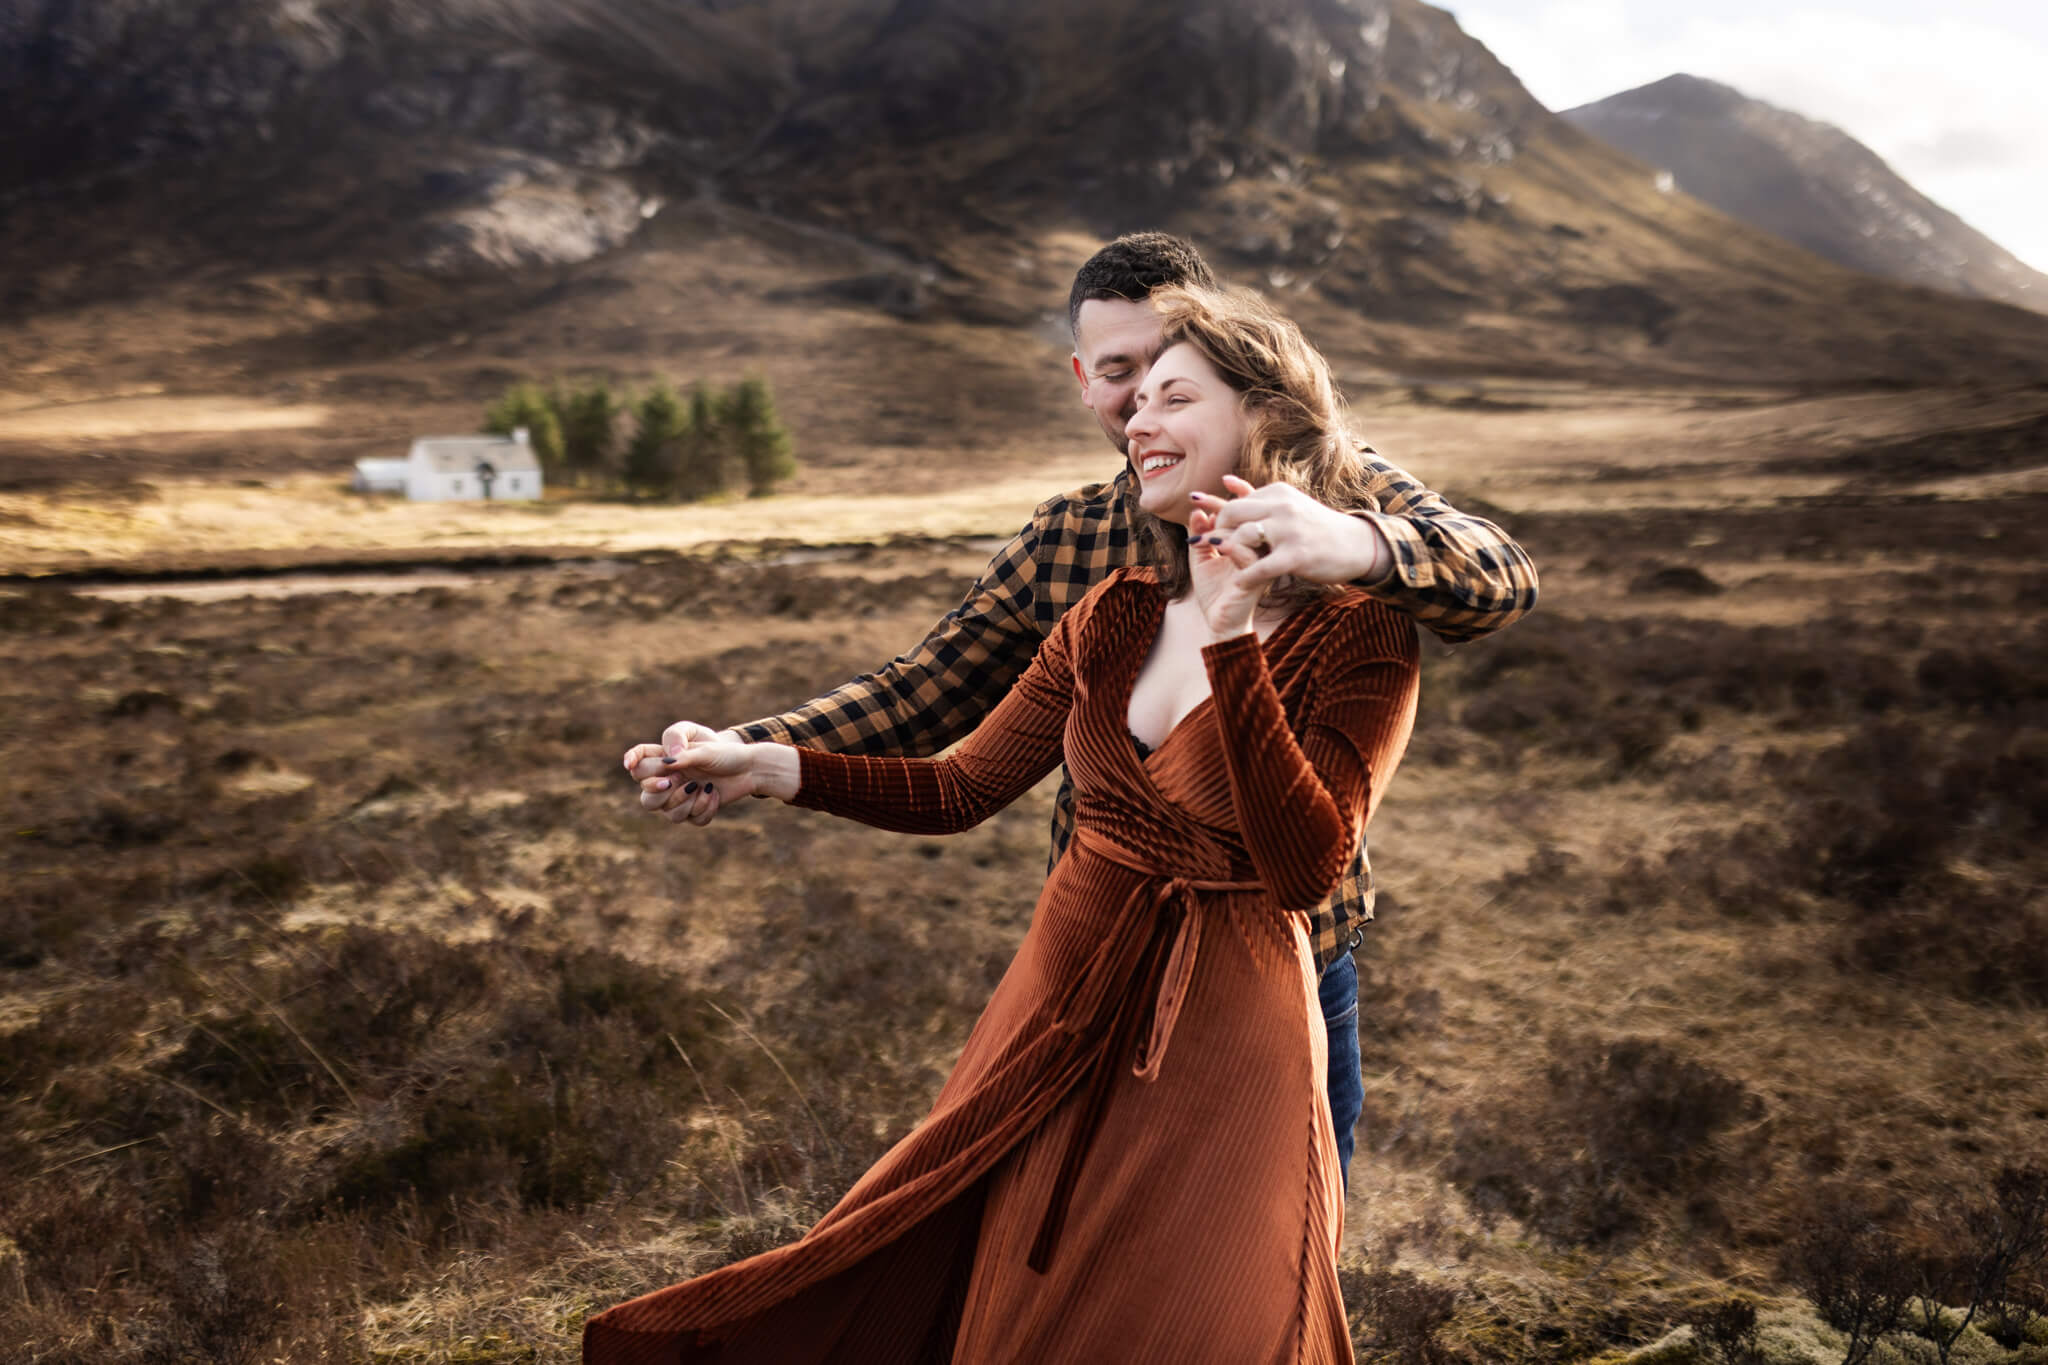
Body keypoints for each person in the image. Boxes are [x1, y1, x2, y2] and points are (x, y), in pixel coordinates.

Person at [591, 283, 1420, 1364]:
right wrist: (768, 765)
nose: (1137, 422)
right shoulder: (1111, 613)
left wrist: (1232, 644)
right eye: (1132, 402)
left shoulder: (1360, 636)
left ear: (1261, 418)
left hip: (1222, 1027)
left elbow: (1305, 864)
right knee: (1009, 1288)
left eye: (1173, 397)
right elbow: (956, 788)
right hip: (1055, 995)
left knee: (1203, 1307)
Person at [638, 232, 1536, 1188]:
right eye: (1123, 376)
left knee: (1267, 1257)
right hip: (1094, 966)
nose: (1143, 399)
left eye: (1172, 373)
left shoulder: (1339, 498)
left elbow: (1499, 575)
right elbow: (929, 701)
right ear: (1085, 380)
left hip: (1290, 969)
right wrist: (754, 751)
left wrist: (1355, 542)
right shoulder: (1077, 547)